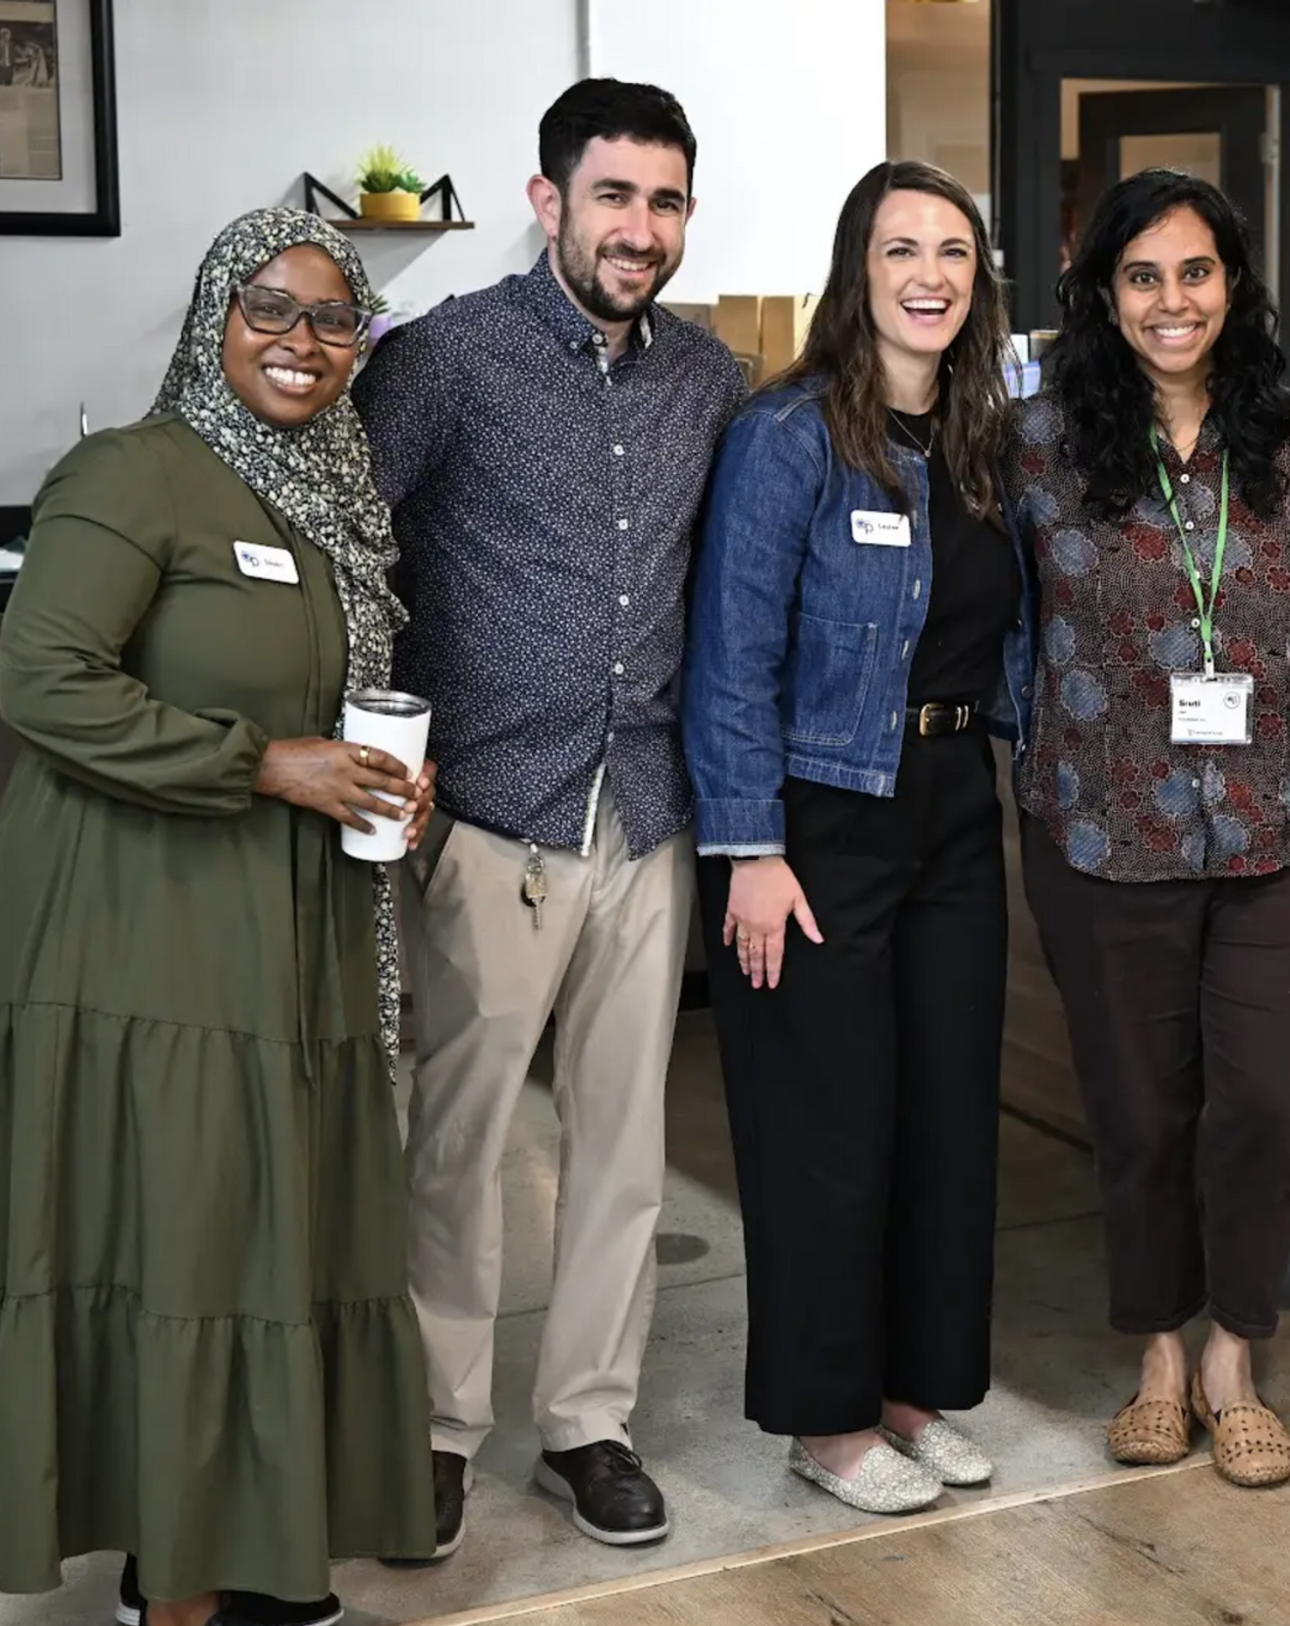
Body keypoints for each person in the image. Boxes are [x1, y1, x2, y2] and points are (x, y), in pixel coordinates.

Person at [0, 207, 436, 1626]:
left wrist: (378, 770)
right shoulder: (131, 474)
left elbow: (308, 691)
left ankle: (249, 1535)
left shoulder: (327, 491)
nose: (301, 342)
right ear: (213, 317)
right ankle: (172, 1574)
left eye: (333, 318)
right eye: (268, 309)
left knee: (271, 1229)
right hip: (141, 925)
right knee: (182, 1235)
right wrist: (260, 761)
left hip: (290, 917)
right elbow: (46, 681)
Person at [352, 77, 746, 1552]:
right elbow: (355, 560)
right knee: (453, 1149)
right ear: (548, 202)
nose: (639, 230)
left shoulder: (709, 377)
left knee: (623, 1148)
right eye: (614, 198)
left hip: (648, 816)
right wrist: (387, 752)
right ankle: (440, 1426)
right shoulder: (443, 360)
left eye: (664, 202)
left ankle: (586, 1420)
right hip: (490, 819)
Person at [681, 160, 1030, 1516]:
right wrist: (747, 848)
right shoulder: (789, 438)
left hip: (952, 803)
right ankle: (823, 1424)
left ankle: (908, 1396)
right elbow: (730, 655)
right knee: (825, 1126)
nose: (929, 272)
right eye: (901, 249)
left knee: (944, 1115)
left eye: (952, 250)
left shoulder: (985, 440)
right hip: (820, 813)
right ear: (859, 270)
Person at [1007, 168, 1290, 1490]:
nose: (1171, 301)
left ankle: (1234, 1353)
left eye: (1194, 272)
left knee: (1263, 1104)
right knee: (1141, 1111)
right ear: (1099, 294)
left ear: (1234, 284)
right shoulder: (1035, 444)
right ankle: (1156, 1350)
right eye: (1140, 277)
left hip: (1272, 828)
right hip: (1102, 827)